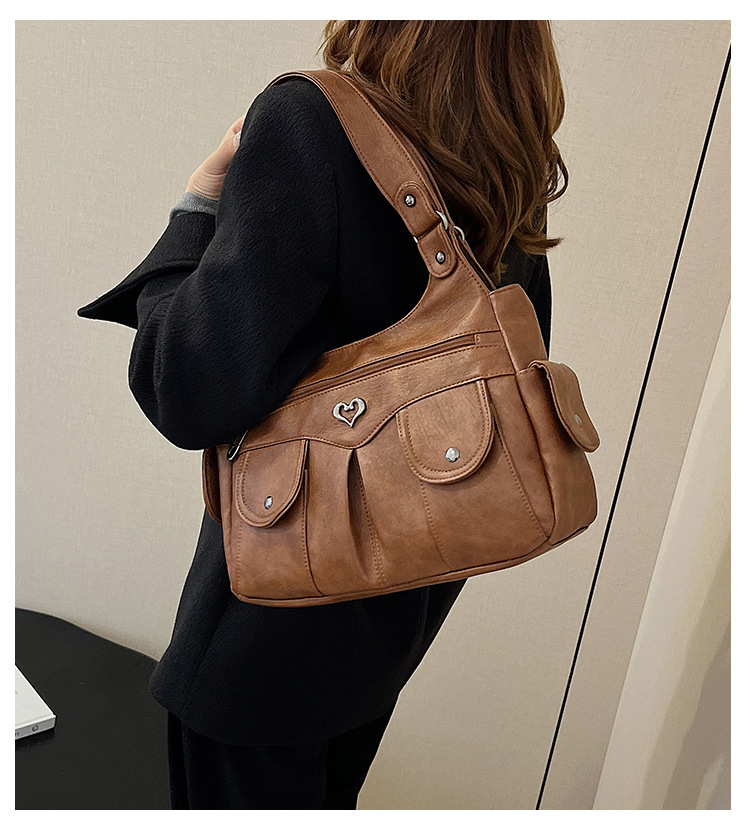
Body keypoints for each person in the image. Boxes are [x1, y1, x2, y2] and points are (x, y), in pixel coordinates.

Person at [76, 20, 564, 809]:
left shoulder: (312, 122)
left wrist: (195, 206)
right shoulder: (510, 162)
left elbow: (184, 388)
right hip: (382, 641)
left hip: (263, 647)